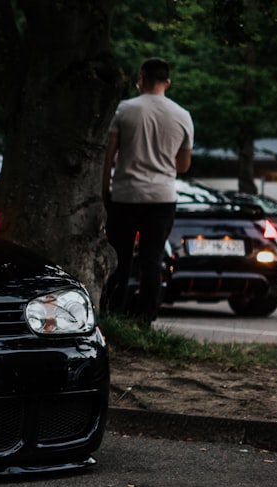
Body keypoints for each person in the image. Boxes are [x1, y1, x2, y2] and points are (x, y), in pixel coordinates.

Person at [102, 57, 194, 325]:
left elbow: (108, 158)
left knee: (120, 257)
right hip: (163, 197)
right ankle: (145, 318)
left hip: (126, 194)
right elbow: (184, 165)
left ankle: (113, 313)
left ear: (140, 79)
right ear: (168, 82)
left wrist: (103, 191)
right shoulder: (182, 115)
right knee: (151, 259)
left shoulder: (124, 110)